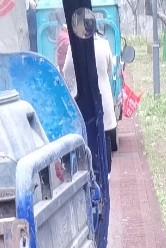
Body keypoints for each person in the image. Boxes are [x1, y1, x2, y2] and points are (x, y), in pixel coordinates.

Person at [61, 16, 116, 156]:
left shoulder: (73, 47)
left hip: (82, 95)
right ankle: (107, 172)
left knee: (86, 134)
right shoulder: (104, 44)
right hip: (103, 96)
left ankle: (90, 169)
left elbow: (67, 72)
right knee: (105, 134)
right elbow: (110, 70)